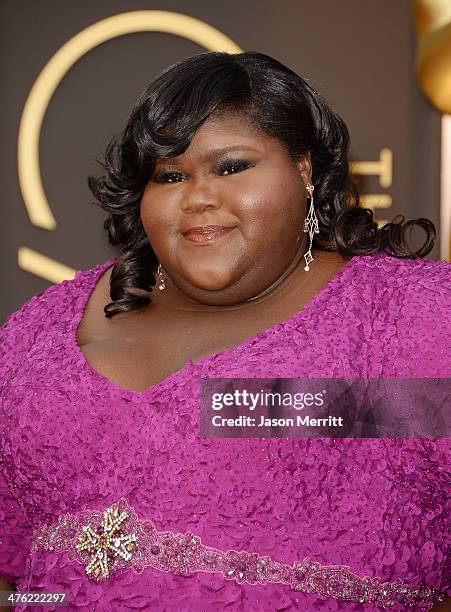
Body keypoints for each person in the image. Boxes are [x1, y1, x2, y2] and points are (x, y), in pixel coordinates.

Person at [0, 51, 449, 611]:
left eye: (232, 166)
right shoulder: (43, 328)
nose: (198, 197)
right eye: (169, 176)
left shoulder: (408, 321)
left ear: (304, 170)